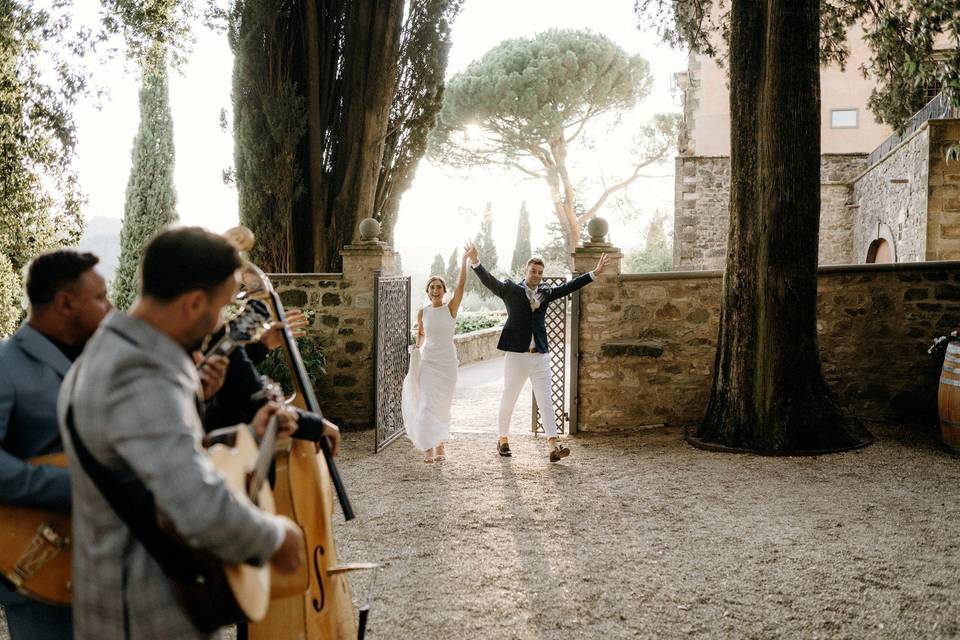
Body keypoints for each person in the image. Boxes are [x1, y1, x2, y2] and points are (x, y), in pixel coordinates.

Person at [57, 227, 304, 640]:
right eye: (221, 308)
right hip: (144, 615)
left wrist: (244, 433)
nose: (221, 321)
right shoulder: (139, 371)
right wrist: (276, 537)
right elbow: (196, 507)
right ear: (193, 303)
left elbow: (155, 458)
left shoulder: (112, 349)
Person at [0, 249, 112, 640]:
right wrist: (70, 486)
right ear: (65, 303)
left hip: (108, 564)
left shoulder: (102, 364)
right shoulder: (5, 364)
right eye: (99, 297)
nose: (109, 305)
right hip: (39, 561)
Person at [464, 242, 609, 462]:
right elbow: (489, 281)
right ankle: (503, 440)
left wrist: (594, 273)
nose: (537, 275)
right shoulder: (511, 289)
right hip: (516, 356)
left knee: (546, 401)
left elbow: (569, 287)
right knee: (509, 397)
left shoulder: (545, 293)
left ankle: (553, 445)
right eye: (533, 271)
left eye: (540, 273)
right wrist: (475, 261)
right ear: (526, 271)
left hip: (540, 355)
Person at [402, 251, 468, 463]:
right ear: (428, 291)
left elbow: (460, 288)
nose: (436, 290)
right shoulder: (423, 312)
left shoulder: (451, 308)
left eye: (439, 287)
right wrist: (416, 348)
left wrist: (464, 261)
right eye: (432, 287)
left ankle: (440, 445)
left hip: (447, 363)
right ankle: (429, 446)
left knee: (442, 405)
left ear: (443, 291)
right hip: (429, 362)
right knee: (427, 403)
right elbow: (421, 335)